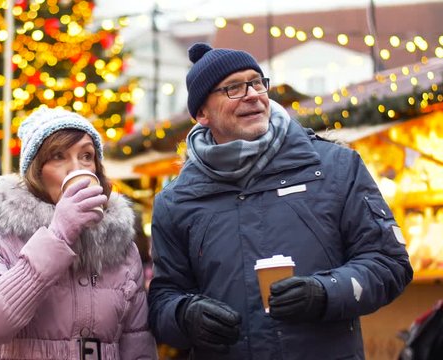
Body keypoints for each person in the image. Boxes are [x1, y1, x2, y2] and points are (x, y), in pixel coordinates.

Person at [147, 43, 413, 359]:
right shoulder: (176, 201)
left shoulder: (335, 167)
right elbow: (163, 299)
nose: (252, 94)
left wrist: (325, 292)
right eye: (232, 88)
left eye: (257, 82)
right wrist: (185, 315)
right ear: (202, 113)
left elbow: (388, 262)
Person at [0, 107, 158, 359]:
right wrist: (58, 234)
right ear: (35, 172)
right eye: (58, 156)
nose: (76, 169)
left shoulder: (119, 243)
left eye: (86, 156)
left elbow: (136, 341)